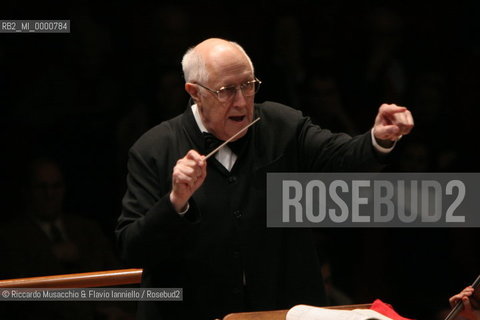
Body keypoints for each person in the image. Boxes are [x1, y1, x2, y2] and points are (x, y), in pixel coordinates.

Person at [115, 38, 414, 320]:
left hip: (280, 310)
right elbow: (132, 248)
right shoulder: (152, 149)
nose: (243, 102)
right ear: (195, 92)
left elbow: (343, 159)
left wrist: (377, 139)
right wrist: (175, 202)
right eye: (226, 90)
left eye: (248, 85)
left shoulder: (281, 125)